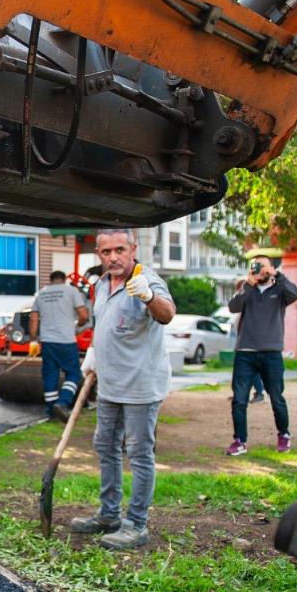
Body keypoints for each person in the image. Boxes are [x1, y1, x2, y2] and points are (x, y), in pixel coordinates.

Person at [70, 230, 176, 550]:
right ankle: (109, 514)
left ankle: (137, 524)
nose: (113, 257)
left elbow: (167, 314)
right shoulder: (102, 284)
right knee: (105, 446)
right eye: (105, 252)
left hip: (141, 386)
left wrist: (147, 297)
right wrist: (94, 354)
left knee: (140, 454)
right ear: (98, 254)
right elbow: (104, 325)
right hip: (110, 385)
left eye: (119, 250)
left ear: (133, 249)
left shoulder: (148, 280)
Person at [226, 255, 297, 455]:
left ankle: (283, 434)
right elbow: (233, 306)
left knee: (276, 397)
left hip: (272, 353)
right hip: (245, 353)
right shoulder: (247, 289)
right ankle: (239, 441)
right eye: (256, 265)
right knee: (239, 399)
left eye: (263, 265)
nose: (259, 269)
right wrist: (248, 285)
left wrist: (277, 275)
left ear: (271, 267)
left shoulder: (279, 289)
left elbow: (295, 293)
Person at [28, 271, 91, 421]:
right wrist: (78, 325)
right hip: (67, 341)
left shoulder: (40, 294)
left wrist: (33, 340)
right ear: (63, 280)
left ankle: (51, 412)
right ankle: (62, 403)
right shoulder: (71, 291)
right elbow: (83, 315)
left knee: (50, 376)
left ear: (51, 280)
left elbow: (34, 320)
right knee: (74, 374)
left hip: (47, 342)